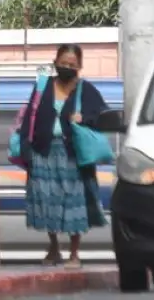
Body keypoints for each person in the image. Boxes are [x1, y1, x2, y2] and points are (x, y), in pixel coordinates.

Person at [17, 44, 108, 269]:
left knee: (74, 202)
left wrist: (84, 118)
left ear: (79, 66)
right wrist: (26, 150)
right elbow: (29, 117)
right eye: (63, 63)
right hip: (44, 152)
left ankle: (74, 253)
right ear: (55, 62)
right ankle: (54, 247)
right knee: (48, 201)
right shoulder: (42, 86)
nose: (67, 67)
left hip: (73, 156)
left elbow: (104, 116)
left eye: (72, 64)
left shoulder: (85, 90)